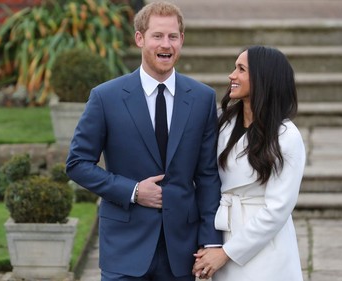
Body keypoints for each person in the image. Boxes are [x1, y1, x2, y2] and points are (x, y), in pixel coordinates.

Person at [65, 1, 222, 281]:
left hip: (182, 250)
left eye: (173, 36)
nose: (166, 44)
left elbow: (208, 175)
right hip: (124, 248)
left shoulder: (202, 98)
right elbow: (77, 163)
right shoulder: (106, 97)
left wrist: (210, 241)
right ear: (140, 38)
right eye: (157, 36)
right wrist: (134, 191)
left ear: (182, 40)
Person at [192, 45, 306, 281]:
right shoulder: (222, 123)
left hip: (265, 247)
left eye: (241, 69)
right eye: (235, 68)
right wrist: (212, 244)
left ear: (263, 79)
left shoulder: (286, 136)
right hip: (223, 232)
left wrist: (227, 252)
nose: (231, 76)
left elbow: (278, 209)